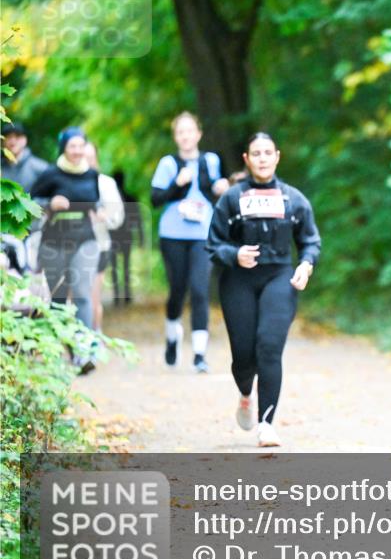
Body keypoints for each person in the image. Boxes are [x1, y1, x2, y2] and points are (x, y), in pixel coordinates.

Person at [206, 132, 320, 447]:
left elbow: (310, 240)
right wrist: (234, 254)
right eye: (256, 153)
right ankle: (245, 392)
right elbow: (214, 244)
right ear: (246, 159)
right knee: (244, 357)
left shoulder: (294, 199)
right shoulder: (231, 198)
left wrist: (305, 265)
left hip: (279, 277)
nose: (262, 158)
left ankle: (266, 424)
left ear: (277, 157)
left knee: (269, 347)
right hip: (238, 280)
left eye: (268, 153)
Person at [31, 127, 123, 372]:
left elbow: (96, 202)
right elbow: (29, 202)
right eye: (72, 146)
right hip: (54, 241)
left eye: (80, 146)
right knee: (59, 298)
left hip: (85, 239)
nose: (77, 151)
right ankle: (63, 351)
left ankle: (84, 352)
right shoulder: (50, 174)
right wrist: (49, 203)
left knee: (83, 293)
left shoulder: (91, 175)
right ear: (64, 148)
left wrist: (101, 211)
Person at [151, 112, 229, 372]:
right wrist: (176, 184)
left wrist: (221, 187)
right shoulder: (168, 164)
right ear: (176, 137)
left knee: (199, 289)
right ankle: (173, 337)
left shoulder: (211, 160)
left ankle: (199, 354)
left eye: (190, 130)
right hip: (172, 235)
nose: (185, 136)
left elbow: (217, 190)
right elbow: (155, 198)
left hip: (202, 234)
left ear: (198, 134)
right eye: (180, 132)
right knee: (177, 290)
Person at [84, 142, 124, 332]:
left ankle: (94, 337)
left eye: (91, 158)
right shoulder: (64, 181)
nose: (87, 162)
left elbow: (118, 217)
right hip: (68, 245)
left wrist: (103, 217)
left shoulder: (106, 183)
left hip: (99, 246)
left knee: (93, 296)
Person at [1, 122, 50, 271]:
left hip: (34, 234)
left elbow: (52, 199)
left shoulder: (41, 168)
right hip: (4, 235)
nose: (12, 141)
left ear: (25, 140)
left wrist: (30, 205)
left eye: (17, 136)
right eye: (8, 137)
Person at [109, 169, 144, 304]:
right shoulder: (130, 197)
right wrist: (140, 237)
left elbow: (137, 220)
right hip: (125, 236)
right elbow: (138, 221)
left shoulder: (116, 199)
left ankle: (118, 295)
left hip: (116, 236)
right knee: (125, 266)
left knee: (116, 267)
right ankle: (126, 294)